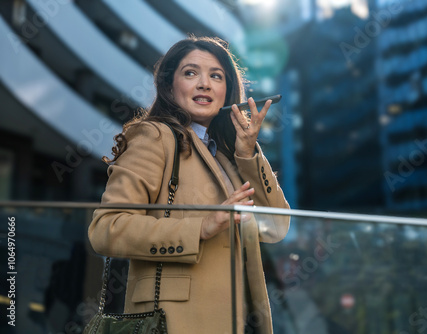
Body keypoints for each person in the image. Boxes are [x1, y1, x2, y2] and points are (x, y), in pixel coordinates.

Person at [88, 36, 290, 333]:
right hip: (173, 323)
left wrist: (247, 153)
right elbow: (107, 229)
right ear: (170, 86)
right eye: (191, 73)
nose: (205, 84)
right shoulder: (154, 137)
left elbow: (276, 228)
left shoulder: (227, 158)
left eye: (216, 76)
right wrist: (200, 228)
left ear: (227, 92)